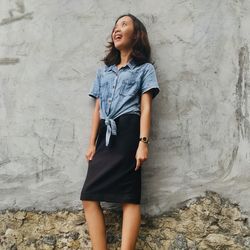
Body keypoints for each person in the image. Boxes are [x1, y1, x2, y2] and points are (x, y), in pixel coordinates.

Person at [80, 13, 160, 250]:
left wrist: (143, 142)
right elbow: (98, 109)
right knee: (88, 196)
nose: (117, 29)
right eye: (115, 25)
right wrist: (91, 143)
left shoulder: (145, 69)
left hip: (128, 132)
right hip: (106, 133)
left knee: (129, 194)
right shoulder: (103, 71)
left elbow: (145, 108)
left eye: (124, 25)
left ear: (136, 35)